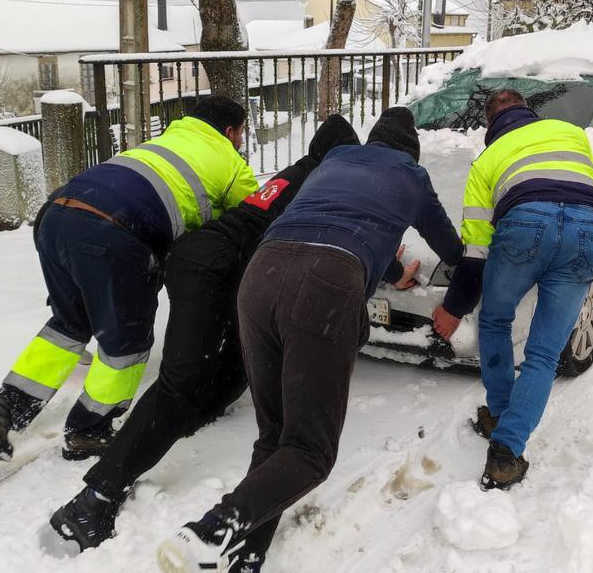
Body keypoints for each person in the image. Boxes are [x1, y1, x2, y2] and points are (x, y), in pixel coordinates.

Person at [46, 115, 381, 558]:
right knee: (179, 386)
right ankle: (94, 501)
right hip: (218, 270)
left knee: (231, 365)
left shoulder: (291, 174)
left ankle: (193, 416)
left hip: (200, 259)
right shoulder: (323, 184)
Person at [153, 106, 464, 573]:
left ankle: (245, 555)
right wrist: (466, 274)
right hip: (327, 282)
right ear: (411, 153)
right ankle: (211, 530)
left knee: (276, 436)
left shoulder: (336, 161)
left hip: (261, 275)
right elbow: (450, 247)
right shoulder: (412, 175)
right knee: (311, 451)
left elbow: (342, 217)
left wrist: (394, 272)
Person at [0, 95, 259, 462]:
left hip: (57, 215)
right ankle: (89, 431)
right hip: (113, 234)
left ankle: (4, 411)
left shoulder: (160, 143)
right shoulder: (231, 164)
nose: (241, 142)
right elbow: (253, 219)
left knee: (68, 326)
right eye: (241, 135)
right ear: (231, 132)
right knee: (126, 344)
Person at [431, 89, 593, 490]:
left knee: (495, 320)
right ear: (529, 112)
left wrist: (455, 306)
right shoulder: (570, 134)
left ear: (490, 127)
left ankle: (499, 414)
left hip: (525, 224)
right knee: (545, 354)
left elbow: (476, 249)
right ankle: (506, 454)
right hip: (587, 230)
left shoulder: (487, 160)